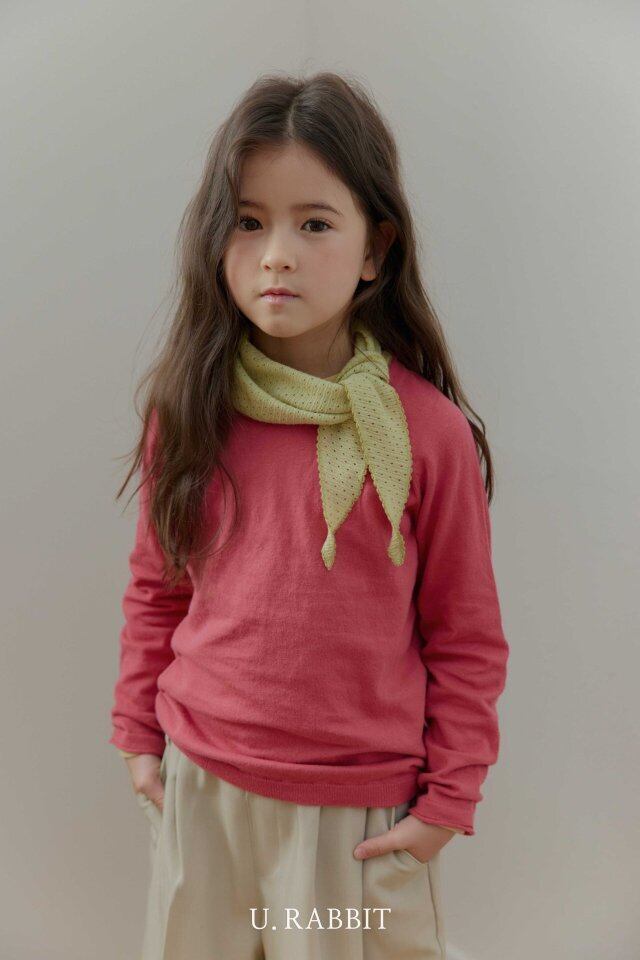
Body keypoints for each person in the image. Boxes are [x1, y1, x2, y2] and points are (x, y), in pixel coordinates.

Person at [109, 70, 510, 960]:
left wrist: (449, 800)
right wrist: (139, 735)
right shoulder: (190, 410)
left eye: (315, 224)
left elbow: (465, 634)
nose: (276, 255)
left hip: (351, 814)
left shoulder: (426, 433)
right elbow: (158, 585)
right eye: (249, 222)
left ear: (376, 249)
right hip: (201, 788)